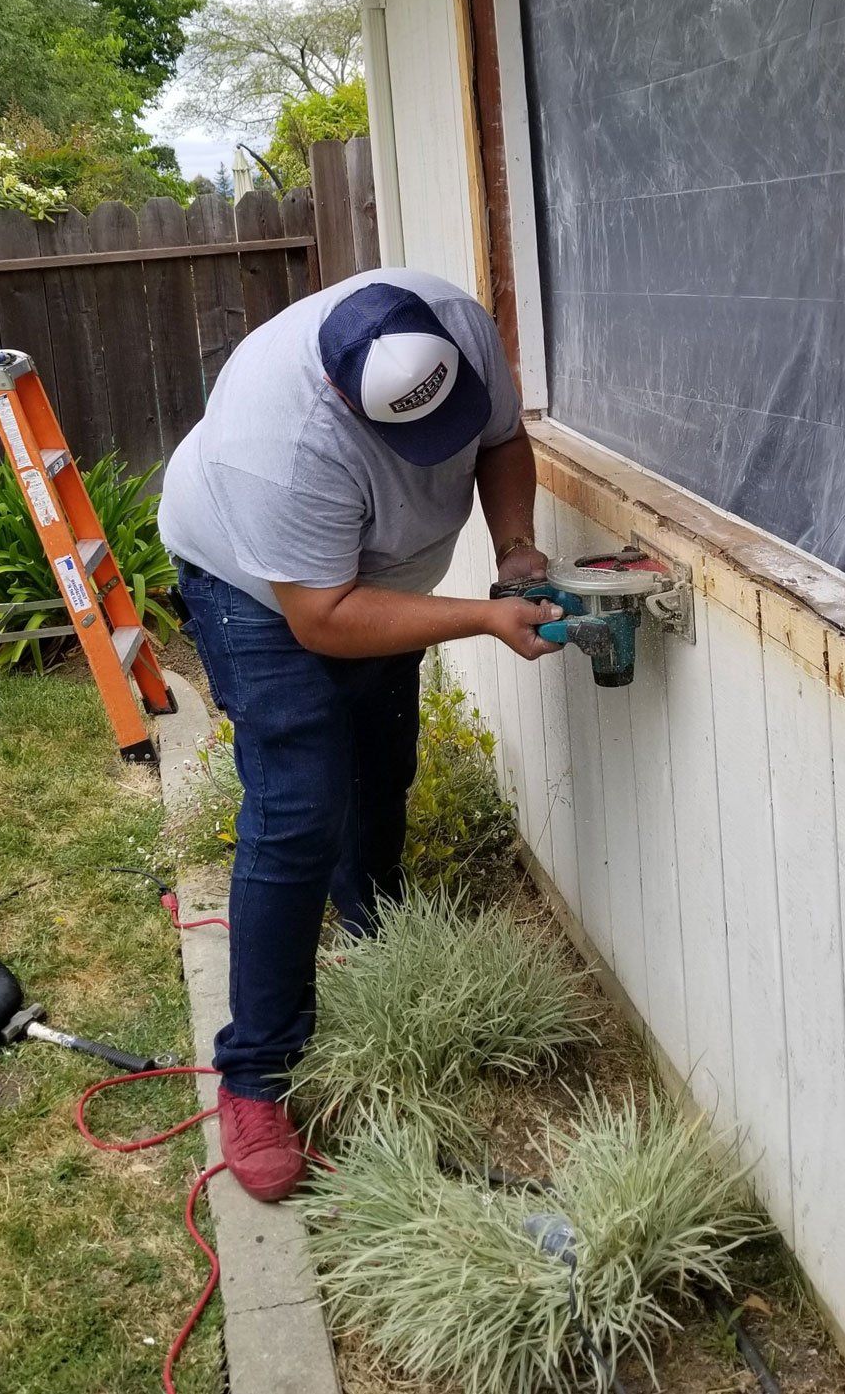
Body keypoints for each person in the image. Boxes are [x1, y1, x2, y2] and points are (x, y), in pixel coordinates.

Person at [158, 267, 563, 1201]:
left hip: (373, 579)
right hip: (257, 587)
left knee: (382, 761)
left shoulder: (458, 324)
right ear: (346, 402)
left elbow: (502, 439)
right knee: (300, 803)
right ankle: (255, 1071)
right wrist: (481, 617)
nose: (437, 456)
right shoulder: (283, 444)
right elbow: (325, 618)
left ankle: (371, 924)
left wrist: (514, 549)